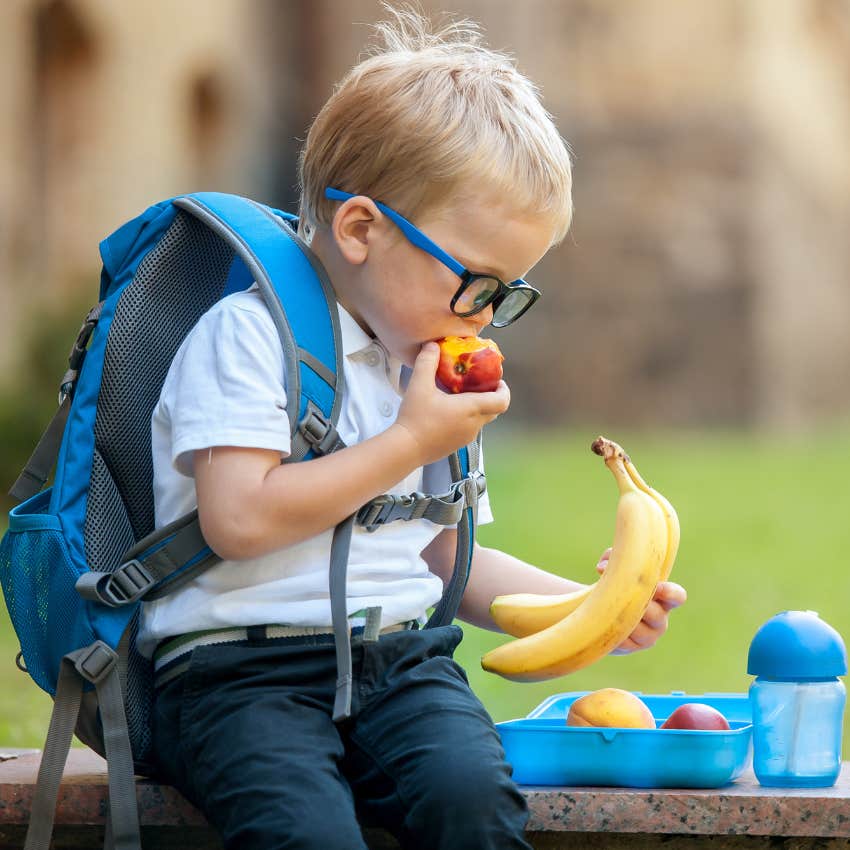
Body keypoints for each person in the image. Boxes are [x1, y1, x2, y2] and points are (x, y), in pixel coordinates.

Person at [143, 6, 687, 849]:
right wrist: (407, 442)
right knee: (306, 833)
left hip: (398, 662)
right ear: (361, 230)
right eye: (475, 281)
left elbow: (442, 557)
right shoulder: (249, 338)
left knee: (474, 803)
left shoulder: (427, 368)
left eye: (506, 292)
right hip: (235, 674)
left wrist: (593, 609)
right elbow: (238, 518)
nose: (485, 316)